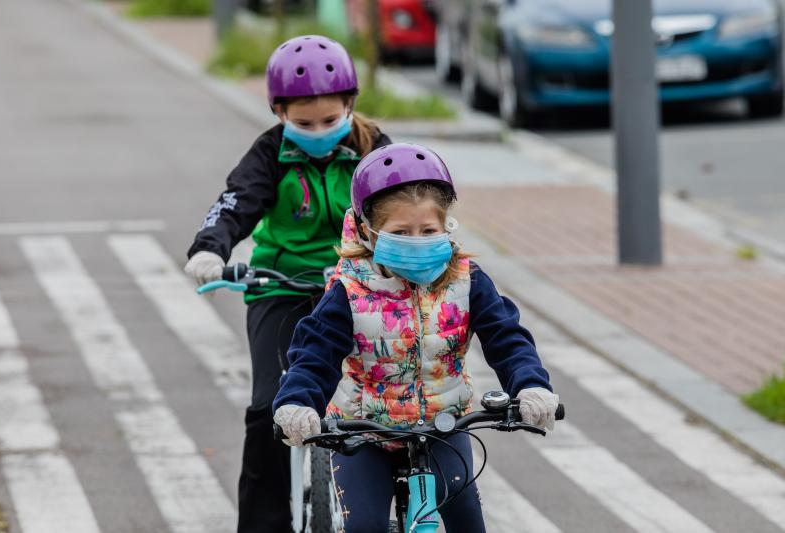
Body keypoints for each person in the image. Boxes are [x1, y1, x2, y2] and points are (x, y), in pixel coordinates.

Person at [272, 143, 559, 533]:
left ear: (446, 227)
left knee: (467, 520)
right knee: (364, 527)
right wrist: (297, 401)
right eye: (401, 233)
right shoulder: (349, 291)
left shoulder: (467, 280)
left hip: (443, 427)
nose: (417, 241)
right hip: (363, 432)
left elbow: (506, 337)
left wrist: (530, 385)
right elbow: (315, 352)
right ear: (368, 232)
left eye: (428, 231)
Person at [183, 35, 391, 533]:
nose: (318, 132)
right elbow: (236, 202)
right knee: (268, 407)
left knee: (393, 399)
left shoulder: (373, 149)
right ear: (279, 112)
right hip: (281, 288)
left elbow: (407, 205)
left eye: (329, 120)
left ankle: (398, 499)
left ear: (350, 103)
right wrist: (211, 248)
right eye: (303, 124)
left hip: (358, 288)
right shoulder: (270, 153)